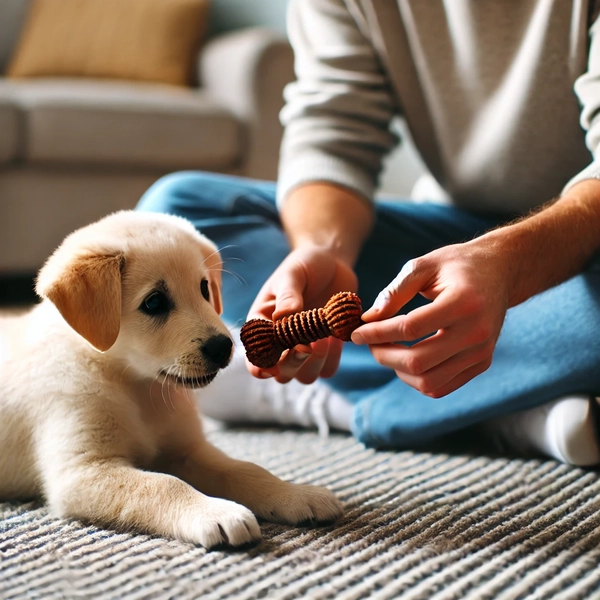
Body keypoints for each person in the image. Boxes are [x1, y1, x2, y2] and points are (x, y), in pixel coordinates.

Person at [137, 0, 600, 466]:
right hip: (453, 232)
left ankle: (397, 408)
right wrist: (324, 249)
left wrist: (510, 264)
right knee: (180, 211)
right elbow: (334, 131)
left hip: (586, 241)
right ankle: (504, 396)